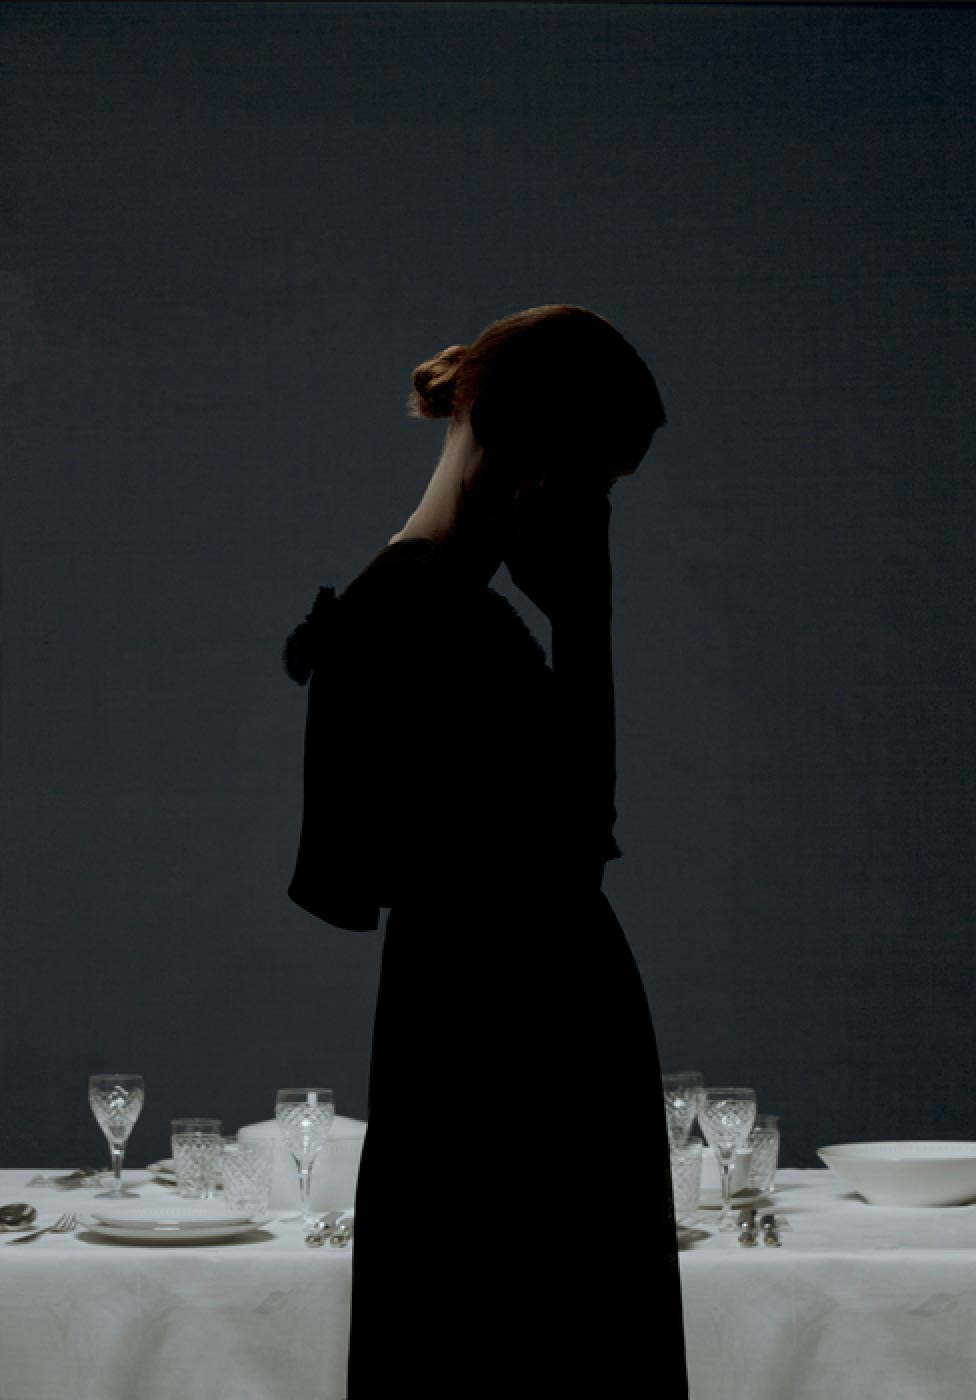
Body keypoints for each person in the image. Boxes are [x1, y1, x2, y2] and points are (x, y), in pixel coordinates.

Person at [283, 303, 689, 1398]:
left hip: (494, 1038)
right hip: (507, 1060)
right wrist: (588, 622)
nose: (590, 512)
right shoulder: (423, 614)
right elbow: (568, 846)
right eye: (594, 480)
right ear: (525, 450)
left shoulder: (439, 604)